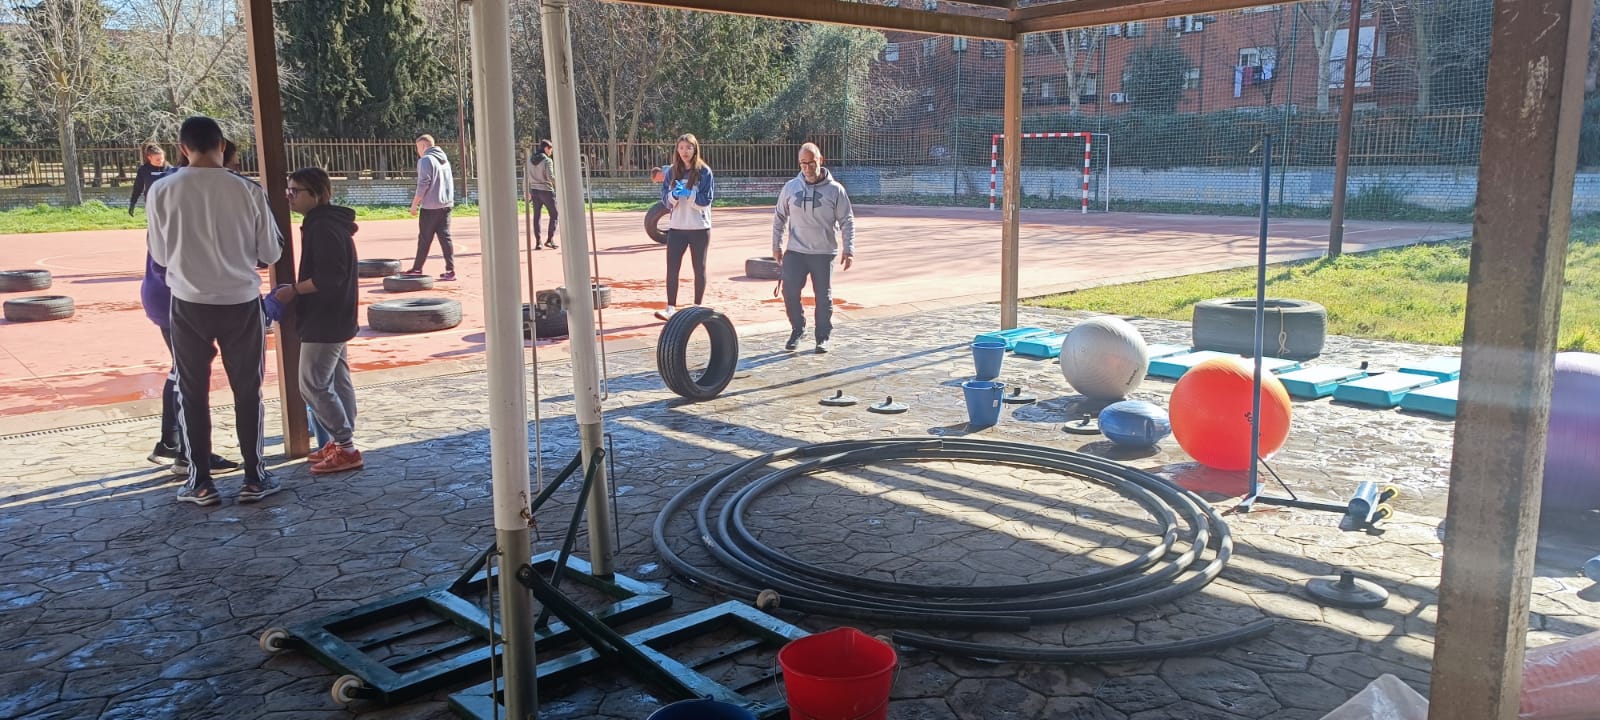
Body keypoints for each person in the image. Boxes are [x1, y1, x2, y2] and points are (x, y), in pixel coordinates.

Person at [146, 116, 283, 506]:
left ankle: (200, 482)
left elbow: (160, 255)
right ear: (222, 145)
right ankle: (254, 477)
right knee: (248, 391)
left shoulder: (162, 189)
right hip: (241, 302)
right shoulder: (248, 190)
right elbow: (271, 251)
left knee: (192, 393)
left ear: (182, 148)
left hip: (188, 303)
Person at [272, 167, 363, 474]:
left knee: (311, 384)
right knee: (337, 378)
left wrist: (294, 291)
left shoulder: (323, 228)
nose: (289, 197)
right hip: (336, 315)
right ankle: (341, 442)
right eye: (288, 191)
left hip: (325, 317)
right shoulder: (325, 223)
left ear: (317, 194)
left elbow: (329, 277)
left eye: (295, 191)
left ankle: (346, 447)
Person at [771, 142, 854, 354]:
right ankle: (798, 329)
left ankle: (822, 337)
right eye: (803, 163)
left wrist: (848, 248)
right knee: (789, 291)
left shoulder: (836, 190)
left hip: (823, 252)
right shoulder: (791, 187)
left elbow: (847, 220)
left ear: (820, 161)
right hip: (796, 250)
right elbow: (779, 217)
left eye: (811, 163)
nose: (807, 168)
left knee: (823, 297)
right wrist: (776, 245)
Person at [655, 133, 714, 322]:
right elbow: (665, 200)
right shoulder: (672, 172)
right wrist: (673, 195)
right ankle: (670, 307)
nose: (684, 151)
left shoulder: (704, 172)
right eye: (681, 148)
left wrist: (689, 194)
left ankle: (697, 307)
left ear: (695, 149)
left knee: (699, 268)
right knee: (672, 268)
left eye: (688, 147)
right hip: (677, 228)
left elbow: (706, 201)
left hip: (699, 228)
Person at [404, 134, 456, 281]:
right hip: (446, 205)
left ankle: (417, 268)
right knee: (445, 237)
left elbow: (423, 183)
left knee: (424, 239)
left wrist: (414, 204)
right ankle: (450, 270)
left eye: (417, 148)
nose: (418, 151)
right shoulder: (444, 160)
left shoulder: (426, 160)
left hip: (431, 207)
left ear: (423, 146)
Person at [525, 139, 557, 250]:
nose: (551, 152)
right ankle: (550, 239)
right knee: (554, 214)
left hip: (534, 190)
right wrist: (559, 184)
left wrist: (526, 191)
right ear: (546, 148)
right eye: (550, 149)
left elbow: (526, 177)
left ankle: (538, 242)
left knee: (537, 216)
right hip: (546, 190)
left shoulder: (529, 160)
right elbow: (550, 177)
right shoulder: (547, 161)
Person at [128, 143, 175, 216]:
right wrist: (132, 203)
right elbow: (137, 188)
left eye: (162, 159)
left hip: (168, 204)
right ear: (149, 158)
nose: (160, 161)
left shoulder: (170, 169)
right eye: (157, 160)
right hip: (151, 204)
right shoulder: (144, 170)